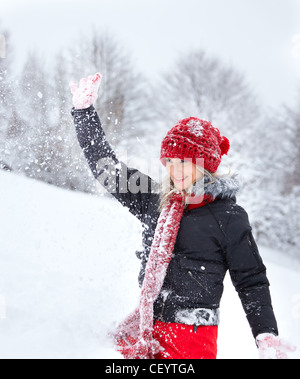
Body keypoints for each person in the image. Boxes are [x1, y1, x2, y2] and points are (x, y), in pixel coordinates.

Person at [70, 73, 296, 359]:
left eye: (185, 163)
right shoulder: (157, 201)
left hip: (192, 339)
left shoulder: (228, 216)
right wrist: (83, 112)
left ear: (205, 165)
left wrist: (265, 334)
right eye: (170, 163)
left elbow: (251, 279)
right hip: (147, 329)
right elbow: (107, 169)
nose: (175, 171)